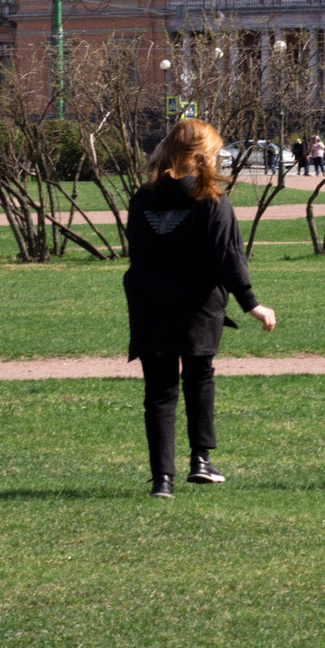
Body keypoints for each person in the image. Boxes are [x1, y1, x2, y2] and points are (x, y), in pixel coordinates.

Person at [125, 119, 277, 496]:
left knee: (158, 391)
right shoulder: (211, 199)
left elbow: (139, 251)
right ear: (203, 156)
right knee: (198, 377)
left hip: (150, 302)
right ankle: (201, 459)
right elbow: (228, 255)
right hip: (197, 304)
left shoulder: (143, 197)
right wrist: (251, 304)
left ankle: (162, 480)